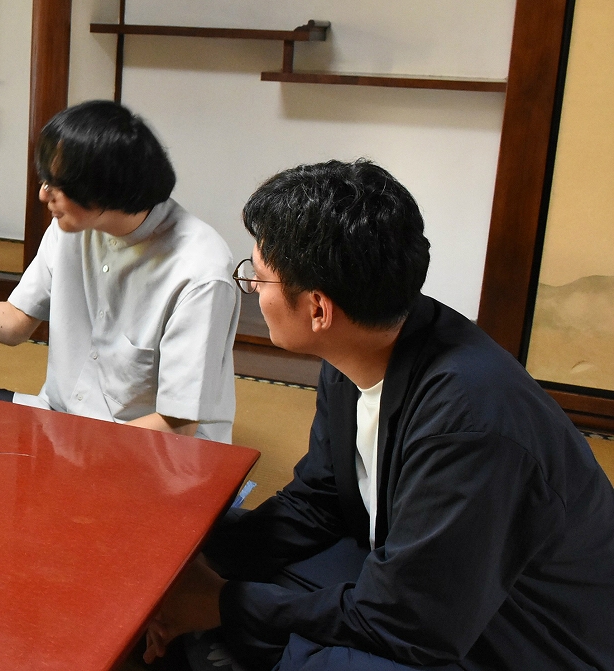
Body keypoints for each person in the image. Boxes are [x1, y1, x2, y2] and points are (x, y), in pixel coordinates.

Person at [143, 160, 614, 671]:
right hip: (415, 572)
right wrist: (196, 562)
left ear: (318, 309)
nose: (253, 287)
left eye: (258, 275)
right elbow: (321, 500)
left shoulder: (468, 424)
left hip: (518, 636)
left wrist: (221, 604)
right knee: (209, 548)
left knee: (297, 648)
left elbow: (410, 624)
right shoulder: (359, 347)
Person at [0, 100, 240, 440]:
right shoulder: (71, 227)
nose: (42, 194)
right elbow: (15, 323)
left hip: (147, 449)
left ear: (105, 189)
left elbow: (177, 425)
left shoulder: (199, 272)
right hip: (60, 421)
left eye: (56, 185)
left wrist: (69, 454)